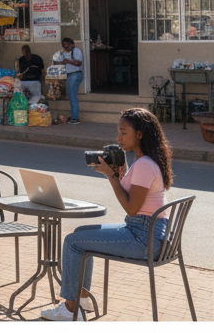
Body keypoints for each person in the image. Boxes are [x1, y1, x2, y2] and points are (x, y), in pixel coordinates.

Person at [41, 108, 173, 321]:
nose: (118, 138)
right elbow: (136, 202)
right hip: (149, 232)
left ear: (139, 134)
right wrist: (120, 176)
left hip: (143, 238)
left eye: (123, 132)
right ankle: (82, 299)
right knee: (81, 233)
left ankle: (70, 309)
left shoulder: (144, 165)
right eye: (118, 132)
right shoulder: (145, 161)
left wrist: (111, 177)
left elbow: (132, 208)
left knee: (73, 242)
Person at [59, 37, 85, 124]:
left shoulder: (76, 51)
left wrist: (67, 61)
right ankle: (74, 115)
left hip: (75, 74)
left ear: (72, 44)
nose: (66, 47)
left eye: (67, 45)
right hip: (70, 75)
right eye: (64, 45)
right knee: (71, 96)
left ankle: (75, 118)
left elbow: (78, 63)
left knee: (72, 96)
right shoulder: (65, 52)